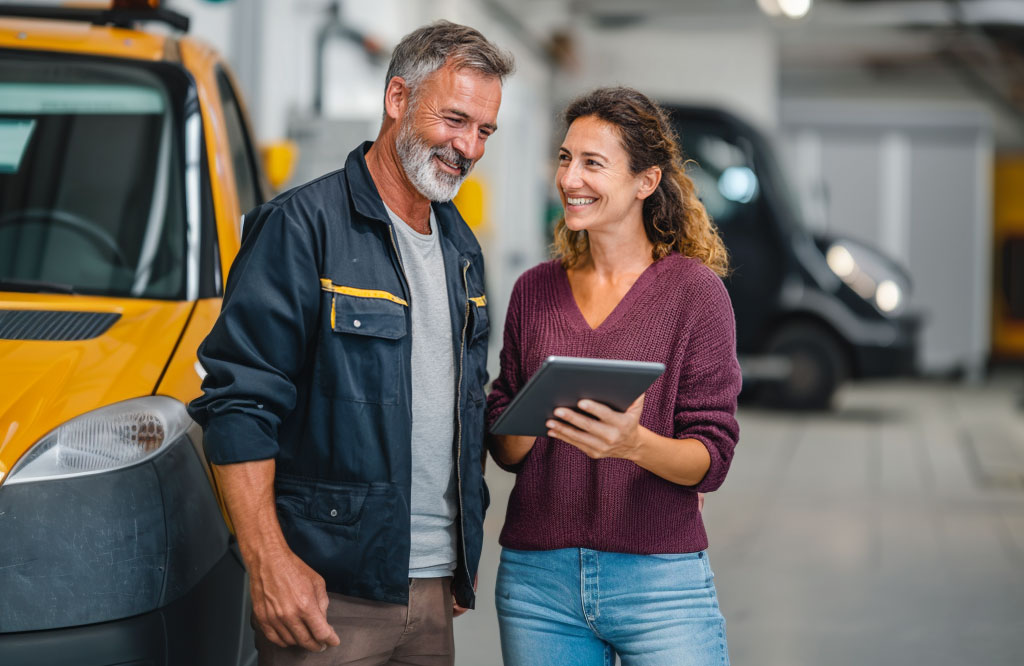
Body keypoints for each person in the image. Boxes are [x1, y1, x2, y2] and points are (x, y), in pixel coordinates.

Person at [187, 21, 513, 666]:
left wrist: (459, 548)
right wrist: (270, 561)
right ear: (398, 98)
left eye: (484, 130)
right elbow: (239, 404)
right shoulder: (301, 227)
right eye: (454, 119)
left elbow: (460, 402)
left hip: (433, 584)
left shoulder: (461, 250)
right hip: (326, 591)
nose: (468, 146)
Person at [486, 87, 742, 666]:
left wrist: (634, 444)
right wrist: (522, 421)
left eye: (592, 163)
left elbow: (713, 456)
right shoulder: (535, 289)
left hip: (659, 583)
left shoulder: (694, 295)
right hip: (538, 584)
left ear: (645, 182)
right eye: (564, 158)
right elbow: (506, 447)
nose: (570, 178)